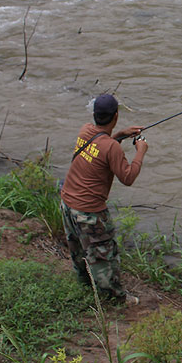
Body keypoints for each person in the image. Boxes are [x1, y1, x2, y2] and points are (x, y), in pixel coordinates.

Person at [59, 93, 149, 304]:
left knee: (78, 249)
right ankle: (115, 299)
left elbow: (101, 143)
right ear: (116, 116)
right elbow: (127, 177)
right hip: (89, 212)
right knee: (104, 255)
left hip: (67, 204)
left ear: (94, 114)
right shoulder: (112, 148)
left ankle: (84, 284)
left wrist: (121, 134)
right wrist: (141, 152)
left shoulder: (85, 130)